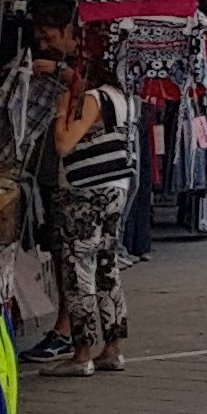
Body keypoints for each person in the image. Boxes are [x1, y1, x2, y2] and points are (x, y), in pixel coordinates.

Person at [46, 59, 134, 373]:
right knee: (107, 266)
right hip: (116, 187)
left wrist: (62, 110)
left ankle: (81, 352)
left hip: (85, 191)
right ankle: (113, 347)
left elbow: (63, 143)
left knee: (78, 267)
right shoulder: (123, 97)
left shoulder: (94, 98)